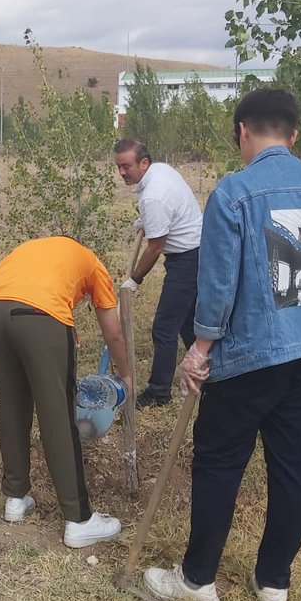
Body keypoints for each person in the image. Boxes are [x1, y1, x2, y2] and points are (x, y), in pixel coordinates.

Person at [141, 89, 301, 601]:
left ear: (242, 131)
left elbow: (218, 286)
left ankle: (197, 582)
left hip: (250, 354)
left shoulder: (234, 193)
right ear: (293, 134)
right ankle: (274, 584)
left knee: (217, 460)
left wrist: (200, 349)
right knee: (291, 467)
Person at [0, 236, 131, 547]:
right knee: (57, 415)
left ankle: (16, 497)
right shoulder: (92, 262)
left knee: (11, 404)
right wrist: (126, 374)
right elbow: (113, 332)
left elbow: (33, 292)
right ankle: (79, 520)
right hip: (37, 316)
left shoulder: (32, 249)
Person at [113, 139, 203, 407]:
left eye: (126, 166)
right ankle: (212, 372)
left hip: (187, 260)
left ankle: (159, 392)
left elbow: (155, 247)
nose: (122, 173)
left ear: (143, 163)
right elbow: (167, 211)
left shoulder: (154, 194)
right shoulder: (160, 172)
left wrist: (134, 280)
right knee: (188, 323)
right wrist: (146, 218)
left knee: (164, 328)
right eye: (118, 167)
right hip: (197, 251)